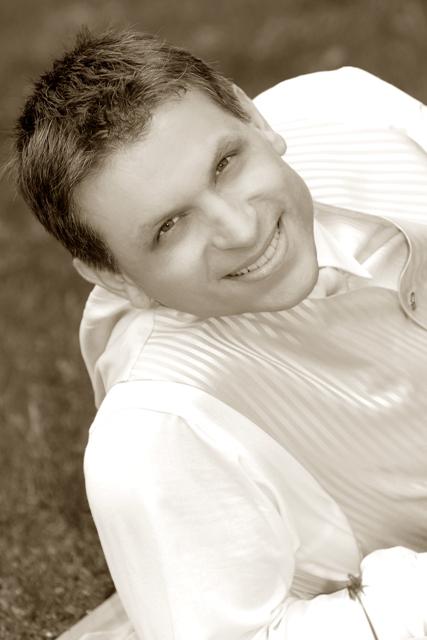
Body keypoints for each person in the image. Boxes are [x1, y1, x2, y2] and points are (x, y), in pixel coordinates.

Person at [13, 28, 427, 640]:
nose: (240, 229)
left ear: (253, 117)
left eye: (226, 164)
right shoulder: (156, 433)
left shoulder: (354, 113)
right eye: (170, 226)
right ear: (114, 276)